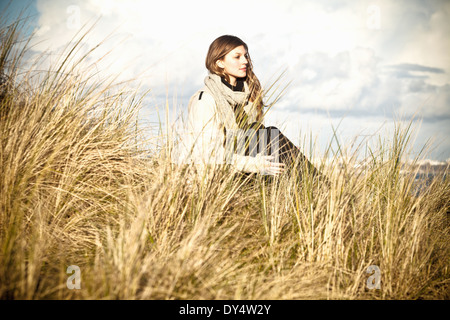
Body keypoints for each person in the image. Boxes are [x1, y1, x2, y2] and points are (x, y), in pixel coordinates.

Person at [172, 35, 320, 184]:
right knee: (267, 134)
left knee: (271, 139)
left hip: (243, 167)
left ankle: (315, 192)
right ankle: (321, 188)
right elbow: (206, 154)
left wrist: (285, 151)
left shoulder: (247, 97)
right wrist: (256, 163)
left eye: (245, 56)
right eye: (237, 57)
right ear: (219, 63)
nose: (245, 61)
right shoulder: (205, 99)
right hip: (213, 176)